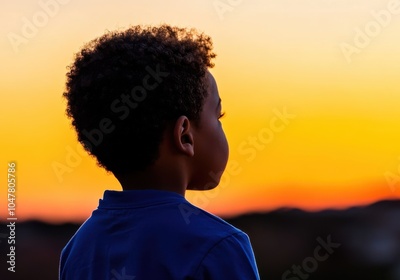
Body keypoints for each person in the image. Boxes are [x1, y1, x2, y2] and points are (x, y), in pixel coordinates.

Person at [59, 25, 260, 280]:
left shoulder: (80, 248)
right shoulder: (219, 247)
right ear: (185, 135)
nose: (221, 124)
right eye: (218, 115)